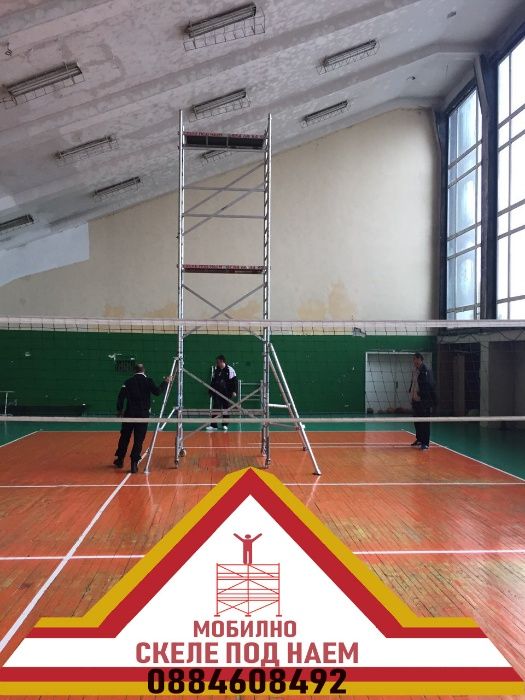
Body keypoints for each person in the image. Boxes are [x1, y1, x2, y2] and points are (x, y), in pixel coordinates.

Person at [113, 363, 170, 473]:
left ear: (134, 371)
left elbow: (121, 397)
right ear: (144, 371)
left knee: (124, 437)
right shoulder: (148, 381)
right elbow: (157, 392)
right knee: (138, 440)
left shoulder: (128, 382)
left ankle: (120, 460)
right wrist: (165, 382)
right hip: (143, 415)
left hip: (129, 415)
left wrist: (119, 410)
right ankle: (134, 464)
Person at [409, 352, 436, 450]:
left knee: (425, 422)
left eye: (416, 359)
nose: (414, 361)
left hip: (424, 401)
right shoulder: (415, 370)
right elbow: (413, 383)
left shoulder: (426, 370)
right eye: (413, 359)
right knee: (417, 421)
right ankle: (419, 439)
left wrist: (422, 395)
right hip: (415, 400)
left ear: (420, 359)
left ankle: (425, 443)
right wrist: (411, 394)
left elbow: (430, 386)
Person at [206, 355, 238, 431]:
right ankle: (213, 425)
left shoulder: (230, 370)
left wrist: (234, 391)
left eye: (218, 362)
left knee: (226, 409)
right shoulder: (216, 370)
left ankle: (225, 425)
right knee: (215, 408)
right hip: (217, 393)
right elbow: (213, 381)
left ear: (222, 361)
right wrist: (210, 391)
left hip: (227, 393)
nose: (217, 363)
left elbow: (234, 381)